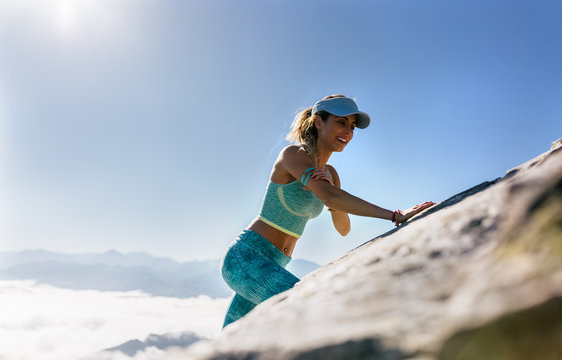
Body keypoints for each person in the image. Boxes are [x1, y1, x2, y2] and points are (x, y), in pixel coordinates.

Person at [220, 95, 435, 328]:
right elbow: (329, 196)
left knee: (233, 339)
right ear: (318, 122)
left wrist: (331, 193)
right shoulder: (293, 156)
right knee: (306, 312)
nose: (348, 132)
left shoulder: (330, 174)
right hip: (246, 257)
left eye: (352, 127)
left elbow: (343, 228)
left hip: (275, 263)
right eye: (341, 122)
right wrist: (395, 215)